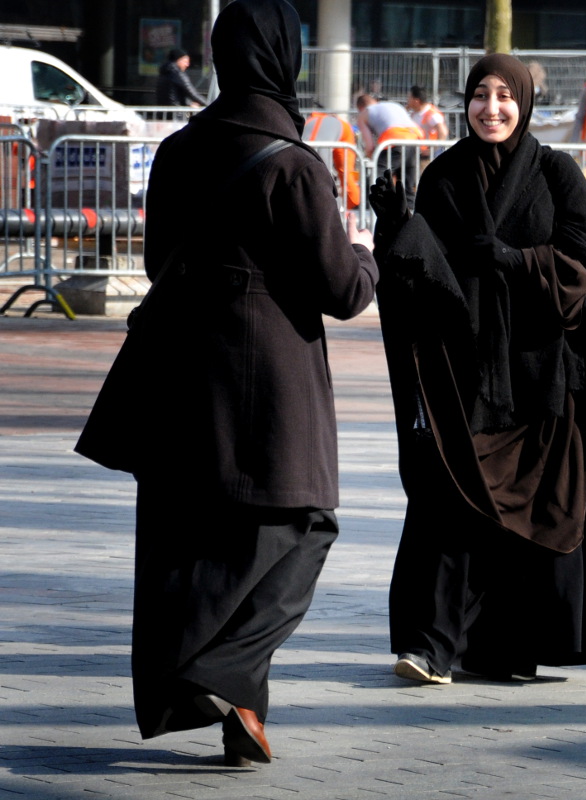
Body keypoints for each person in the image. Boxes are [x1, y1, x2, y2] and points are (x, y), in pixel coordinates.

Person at [78, 0, 378, 766]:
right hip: (269, 381)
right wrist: (371, 254)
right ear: (286, 58)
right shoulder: (292, 162)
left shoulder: (178, 150)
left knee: (196, 534)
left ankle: (242, 713)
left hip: (182, 372)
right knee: (303, 526)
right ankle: (223, 674)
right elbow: (343, 290)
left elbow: (157, 262)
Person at [370, 53, 586, 685]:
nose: (492, 108)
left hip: (540, 379)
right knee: (449, 503)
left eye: (505, 95)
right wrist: (394, 230)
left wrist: (515, 260)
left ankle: (503, 645)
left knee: (526, 515)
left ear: (524, 103)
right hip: (464, 373)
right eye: (481, 94)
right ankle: (430, 646)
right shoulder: (444, 176)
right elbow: (420, 278)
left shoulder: (556, 173)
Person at [356, 92, 424, 193]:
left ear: (360, 108)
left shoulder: (364, 114)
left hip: (395, 141)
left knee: (376, 179)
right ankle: (409, 202)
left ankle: (369, 201)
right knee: (407, 186)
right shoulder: (394, 105)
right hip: (415, 140)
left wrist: (371, 157)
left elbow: (369, 146)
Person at [304, 110, 362, 208]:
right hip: (324, 144)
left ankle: (350, 202)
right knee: (342, 171)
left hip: (306, 149)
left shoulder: (311, 121)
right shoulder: (342, 126)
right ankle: (350, 204)